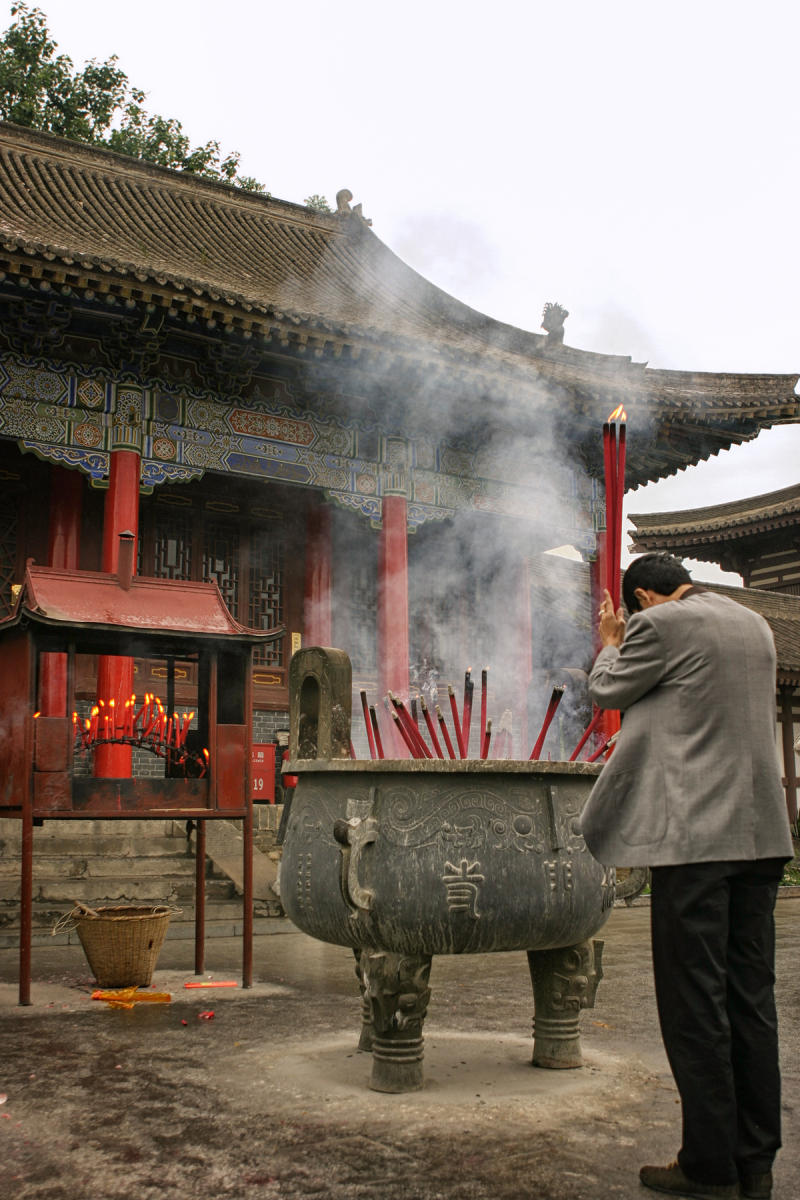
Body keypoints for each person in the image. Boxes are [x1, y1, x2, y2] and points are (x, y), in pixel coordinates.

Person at [580, 552, 793, 1200]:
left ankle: (707, 1164)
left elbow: (607, 691)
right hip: (760, 836)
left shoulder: (657, 625)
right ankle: (754, 1161)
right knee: (750, 1001)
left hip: (696, 843)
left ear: (644, 595)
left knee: (695, 1004)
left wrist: (611, 644)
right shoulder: (753, 623)